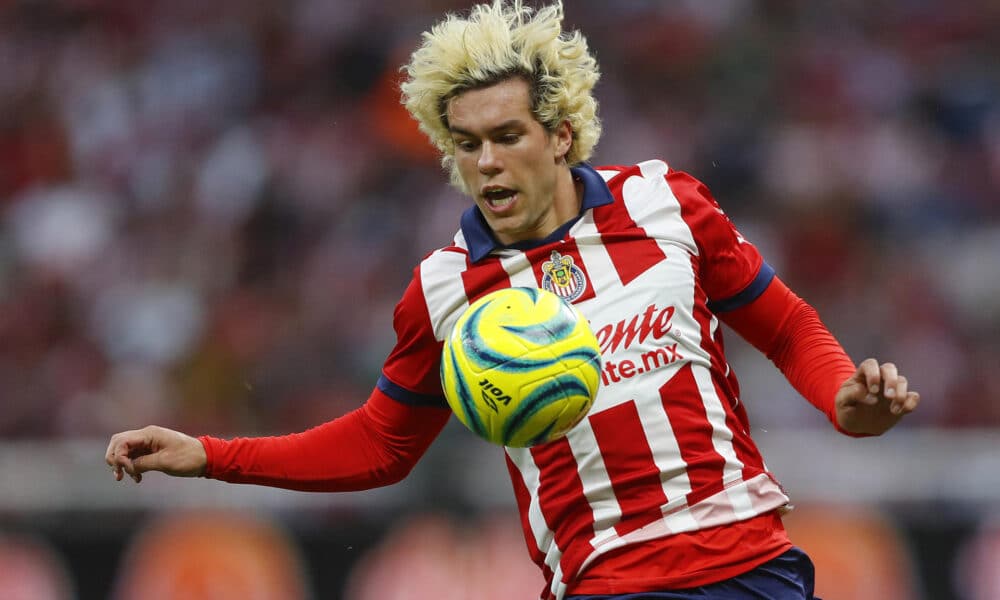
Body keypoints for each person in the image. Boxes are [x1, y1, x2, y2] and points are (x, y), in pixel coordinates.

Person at [105, 2, 921, 599]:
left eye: (507, 137)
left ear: (560, 135)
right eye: (467, 145)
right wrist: (211, 454)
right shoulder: (445, 287)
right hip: (611, 582)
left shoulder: (665, 202)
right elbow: (380, 447)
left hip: (753, 564)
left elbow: (780, 324)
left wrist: (843, 400)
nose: (487, 163)